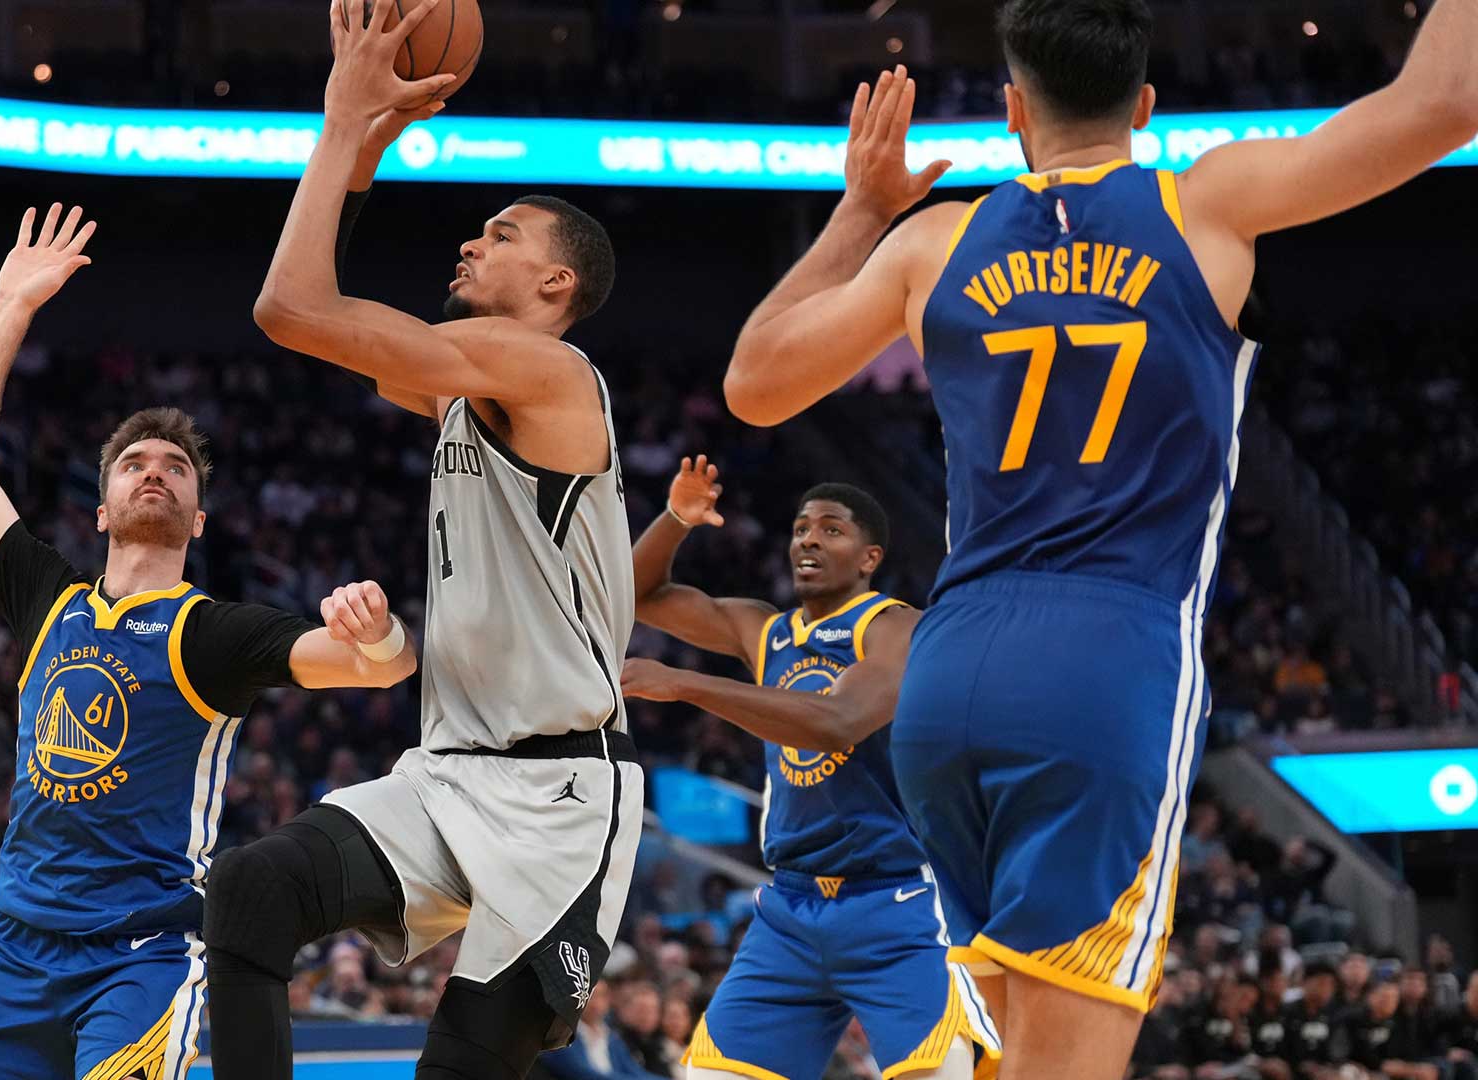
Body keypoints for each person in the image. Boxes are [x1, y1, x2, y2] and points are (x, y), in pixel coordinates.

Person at [718, 0, 1478, 1073]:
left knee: (996, 1059)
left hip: (950, 672)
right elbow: (1446, 101)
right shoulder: (1205, 201)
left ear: (1013, 111)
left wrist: (861, 212)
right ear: (1147, 106)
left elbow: (753, 385)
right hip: (1107, 657)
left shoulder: (935, 242)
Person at [208, 2, 639, 1079]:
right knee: (253, 892)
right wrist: (362, 147)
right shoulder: (461, 389)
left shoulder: (549, 373)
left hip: (562, 797)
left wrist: (341, 124)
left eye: (502, 234)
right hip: (446, 775)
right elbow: (317, 316)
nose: (470, 240)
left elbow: (288, 308)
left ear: (557, 284)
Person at [0, 202, 417, 1080]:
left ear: (198, 517)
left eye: (175, 467)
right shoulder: (47, 599)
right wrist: (11, 308)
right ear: (102, 509)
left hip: (141, 953)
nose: (155, 470)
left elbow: (384, 670)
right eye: (135, 464)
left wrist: (380, 634)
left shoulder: (212, 633)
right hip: (15, 951)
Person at [619, 458, 994, 1080]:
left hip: (894, 902)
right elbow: (636, 595)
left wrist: (686, 684)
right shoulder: (764, 631)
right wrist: (676, 518)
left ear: (869, 558)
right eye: (800, 529)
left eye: (830, 529)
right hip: (790, 908)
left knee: (941, 1073)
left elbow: (837, 721)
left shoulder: (898, 629)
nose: (808, 541)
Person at [536, 980, 662, 1080]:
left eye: (602, 996)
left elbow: (633, 1070)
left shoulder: (611, 1035)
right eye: (591, 995)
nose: (596, 1003)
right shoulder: (562, 1033)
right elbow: (582, 1073)